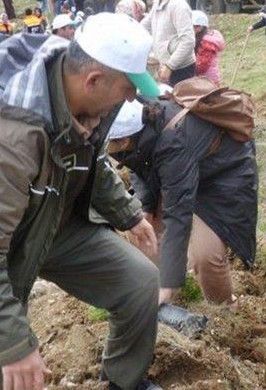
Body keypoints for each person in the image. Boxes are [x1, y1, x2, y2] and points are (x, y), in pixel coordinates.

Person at [0, 12, 162, 390]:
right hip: (2, 247)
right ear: (94, 80)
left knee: (138, 282)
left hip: (54, 224)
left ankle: (122, 381)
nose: (132, 97)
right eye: (128, 87)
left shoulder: (84, 95)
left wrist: (127, 214)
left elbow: (91, 158)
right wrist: (14, 346)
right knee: (1, 370)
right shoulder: (8, 139)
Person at [107, 91, 258, 307]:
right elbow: (137, 167)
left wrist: (169, 284)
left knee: (206, 256)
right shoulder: (133, 133)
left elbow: (178, 214)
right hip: (177, 176)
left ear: (123, 141)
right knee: (141, 226)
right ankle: (165, 297)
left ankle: (224, 311)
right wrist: (146, 206)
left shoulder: (172, 139)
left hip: (223, 176)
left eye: (109, 144)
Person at [140, 0, 195, 86]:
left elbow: (188, 41)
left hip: (180, 70)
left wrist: (170, 66)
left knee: (179, 104)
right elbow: (142, 27)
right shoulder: (157, 5)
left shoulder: (178, 5)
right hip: (166, 67)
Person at [192, 10, 225, 86]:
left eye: (190, 26)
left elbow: (202, 65)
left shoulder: (206, 43)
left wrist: (188, 69)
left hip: (208, 81)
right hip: (206, 79)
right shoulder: (201, 40)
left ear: (199, 27)